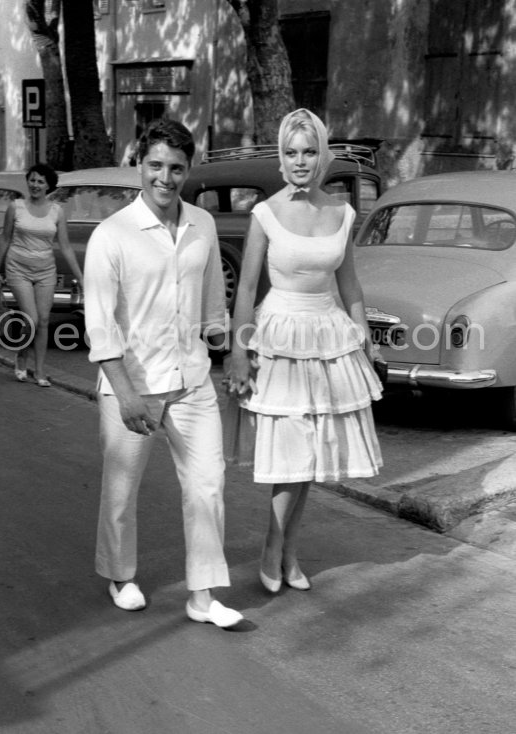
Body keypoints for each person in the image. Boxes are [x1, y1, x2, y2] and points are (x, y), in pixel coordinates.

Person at [83, 118, 243, 629]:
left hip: (192, 379)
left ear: (188, 169)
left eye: (176, 168)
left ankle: (203, 595)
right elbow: (101, 326)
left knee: (207, 485)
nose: (165, 177)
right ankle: (119, 573)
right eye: (155, 165)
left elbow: (214, 304)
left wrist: (233, 353)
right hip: (133, 385)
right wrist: (126, 394)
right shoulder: (112, 236)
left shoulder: (203, 225)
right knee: (121, 490)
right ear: (139, 166)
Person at [227, 108, 384, 594]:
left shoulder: (342, 212)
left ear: (322, 155)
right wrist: (237, 350)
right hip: (279, 338)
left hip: (329, 336)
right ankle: (274, 547)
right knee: (291, 452)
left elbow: (350, 284)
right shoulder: (265, 213)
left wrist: (365, 339)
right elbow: (247, 287)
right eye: (291, 152)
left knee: (311, 455)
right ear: (281, 156)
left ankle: (289, 551)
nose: (300, 161)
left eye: (309, 151)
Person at [0, 163, 84, 386]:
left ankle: (40, 371)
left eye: (40, 181)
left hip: (45, 271)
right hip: (18, 268)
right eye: (32, 180)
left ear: (48, 186)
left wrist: (81, 278)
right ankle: (22, 355)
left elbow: (66, 247)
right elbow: (5, 238)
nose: (35, 185)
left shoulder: (57, 211)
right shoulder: (16, 207)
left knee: (43, 321)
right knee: (31, 319)